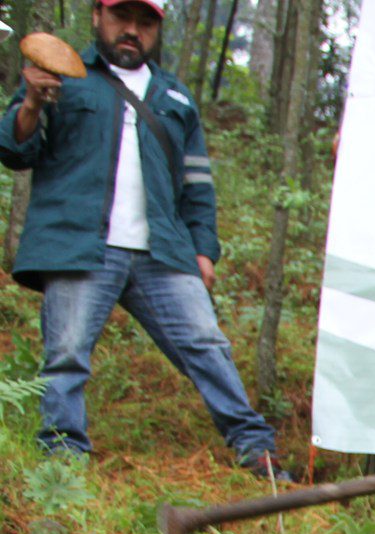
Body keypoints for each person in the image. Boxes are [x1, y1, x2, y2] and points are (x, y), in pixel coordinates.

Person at [0, 0, 288, 482]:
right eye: (121, 18)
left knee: (206, 344)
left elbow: (197, 184)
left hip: (164, 251)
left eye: (145, 22)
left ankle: (256, 449)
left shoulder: (174, 96)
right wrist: (31, 101)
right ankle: (62, 463)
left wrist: (203, 249)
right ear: (98, 17)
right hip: (79, 245)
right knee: (66, 356)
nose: (132, 30)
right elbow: (13, 147)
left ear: (156, 29)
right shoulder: (60, 75)